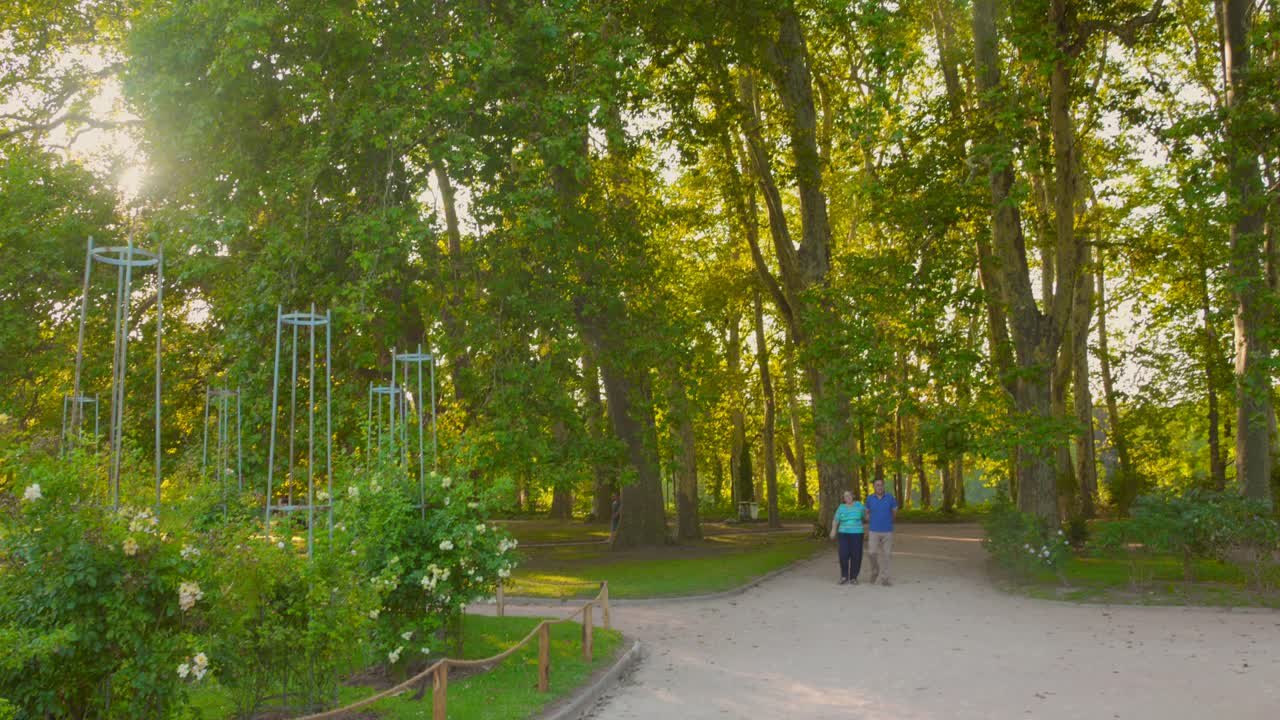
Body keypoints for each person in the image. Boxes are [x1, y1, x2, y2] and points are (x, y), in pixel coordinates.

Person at [865, 478, 898, 586]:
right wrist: (870, 519)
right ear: (874, 487)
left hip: (887, 530)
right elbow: (867, 512)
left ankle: (885, 579)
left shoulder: (890, 497)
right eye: (877, 485)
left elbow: (894, 512)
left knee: (887, 555)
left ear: (883, 486)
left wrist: (889, 521)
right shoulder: (869, 498)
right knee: (871, 553)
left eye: (881, 485)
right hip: (873, 531)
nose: (879, 487)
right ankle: (875, 571)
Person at [830, 490, 867, 585]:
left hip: (857, 534)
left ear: (853, 496)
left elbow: (866, 516)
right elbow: (836, 519)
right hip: (843, 534)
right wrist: (833, 530)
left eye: (849, 495)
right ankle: (844, 576)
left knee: (856, 555)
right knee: (843, 555)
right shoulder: (841, 507)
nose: (847, 498)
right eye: (845, 496)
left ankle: (854, 577)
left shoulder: (859, 505)